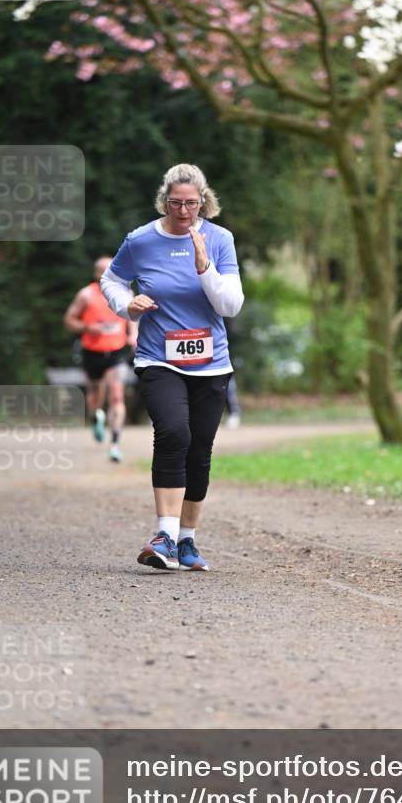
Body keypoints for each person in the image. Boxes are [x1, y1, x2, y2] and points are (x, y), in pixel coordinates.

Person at [101, 163, 244, 572]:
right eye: (176, 203)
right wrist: (125, 305)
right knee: (173, 433)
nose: (184, 211)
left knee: (199, 449)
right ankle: (163, 534)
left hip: (211, 363)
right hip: (158, 357)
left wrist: (205, 267)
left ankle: (187, 541)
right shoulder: (141, 240)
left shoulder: (219, 240)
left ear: (204, 201)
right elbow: (111, 281)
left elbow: (231, 305)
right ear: (165, 201)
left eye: (192, 204)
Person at [64, 256, 137, 463]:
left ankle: (114, 444)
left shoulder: (124, 292)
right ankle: (96, 416)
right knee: (95, 395)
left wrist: (133, 335)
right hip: (92, 352)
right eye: (103, 271)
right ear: (96, 274)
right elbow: (69, 320)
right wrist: (87, 328)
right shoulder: (86, 295)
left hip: (116, 351)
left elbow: (133, 317)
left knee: (116, 396)